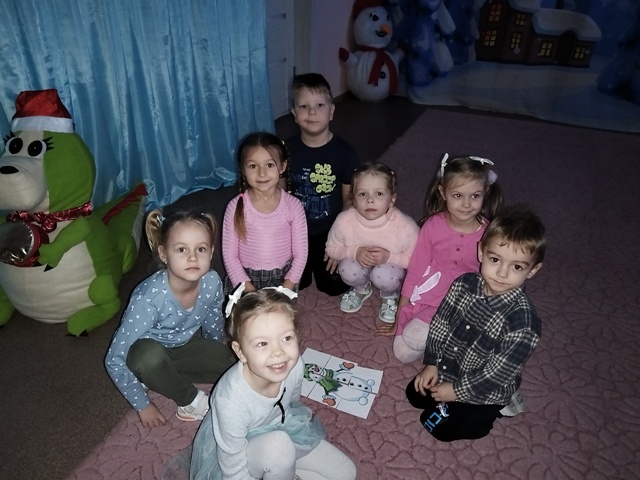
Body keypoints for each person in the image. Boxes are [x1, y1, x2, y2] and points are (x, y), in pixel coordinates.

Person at [405, 206, 546, 442]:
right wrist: (432, 363)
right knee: (414, 394)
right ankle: (448, 392)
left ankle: (497, 410)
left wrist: (456, 391)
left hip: (485, 390)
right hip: (449, 367)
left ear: (533, 270)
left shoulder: (524, 325)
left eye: (517, 266)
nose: (502, 273)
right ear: (481, 252)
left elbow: (495, 375)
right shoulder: (464, 284)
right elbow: (440, 324)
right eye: (495, 259)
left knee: (438, 428)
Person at [190, 287, 357, 480]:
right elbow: (233, 472)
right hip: (242, 452)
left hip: (280, 430)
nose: (278, 352)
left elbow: (292, 403)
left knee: (346, 472)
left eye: (286, 338)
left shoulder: (295, 366)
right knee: (279, 448)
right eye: (262, 343)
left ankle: (283, 469)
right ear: (240, 352)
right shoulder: (230, 402)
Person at [105, 210, 236, 428]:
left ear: (211, 252)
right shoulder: (148, 298)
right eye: (182, 249)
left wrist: (210, 353)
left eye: (201, 249)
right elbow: (113, 358)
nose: (193, 257)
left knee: (238, 365)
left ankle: (166, 376)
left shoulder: (212, 282)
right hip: (145, 352)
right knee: (148, 357)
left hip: (182, 345)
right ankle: (189, 401)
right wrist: (142, 405)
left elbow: (213, 323)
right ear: (164, 254)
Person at [375, 153, 503, 364]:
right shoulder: (433, 226)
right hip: (432, 296)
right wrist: (400, 320)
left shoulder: (489, 232)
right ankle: (443, 337)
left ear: (485, 192)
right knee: (402, 352)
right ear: (443, 193)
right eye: (458, 195)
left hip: (467, 300)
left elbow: (495, 277)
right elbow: (415, 270)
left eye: (475, 196)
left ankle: (450, 337)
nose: (466, 204)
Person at [286, 72, 360, 296]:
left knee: (333, 285)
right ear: (294, 114)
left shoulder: (345, 153)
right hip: (295, 233)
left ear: (331, 111)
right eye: (304, 106)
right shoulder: (285, 151)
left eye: (319, 105)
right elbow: (277, 195)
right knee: (296, 283)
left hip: (330, 231)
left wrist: (339, 240)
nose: (312, 112)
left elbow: (349, 201)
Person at [325, 162, 419, 323]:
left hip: (391, 268)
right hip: (357, 264)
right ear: (353, 198)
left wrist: (390, 257)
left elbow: (418, 260)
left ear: (392, 199)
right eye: (362, 194)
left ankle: (389, 295)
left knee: (385, 276)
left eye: (379, 194)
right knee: (347, 269)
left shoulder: (405, 227)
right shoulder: (344, 221)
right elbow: (331, 248)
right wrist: (354, 252)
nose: (370, 200)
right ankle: (361, 288)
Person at [222, 132, 308, 295]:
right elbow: (230, 256)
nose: (262, 173)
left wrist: (286, 289)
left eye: (269, 165)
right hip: (245, 280)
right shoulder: (234, 207)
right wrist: (249, 292)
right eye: (253, 166)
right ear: (243, 169)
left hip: (283, 280)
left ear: (282, 166)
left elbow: (301, 254)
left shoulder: (294, 206)